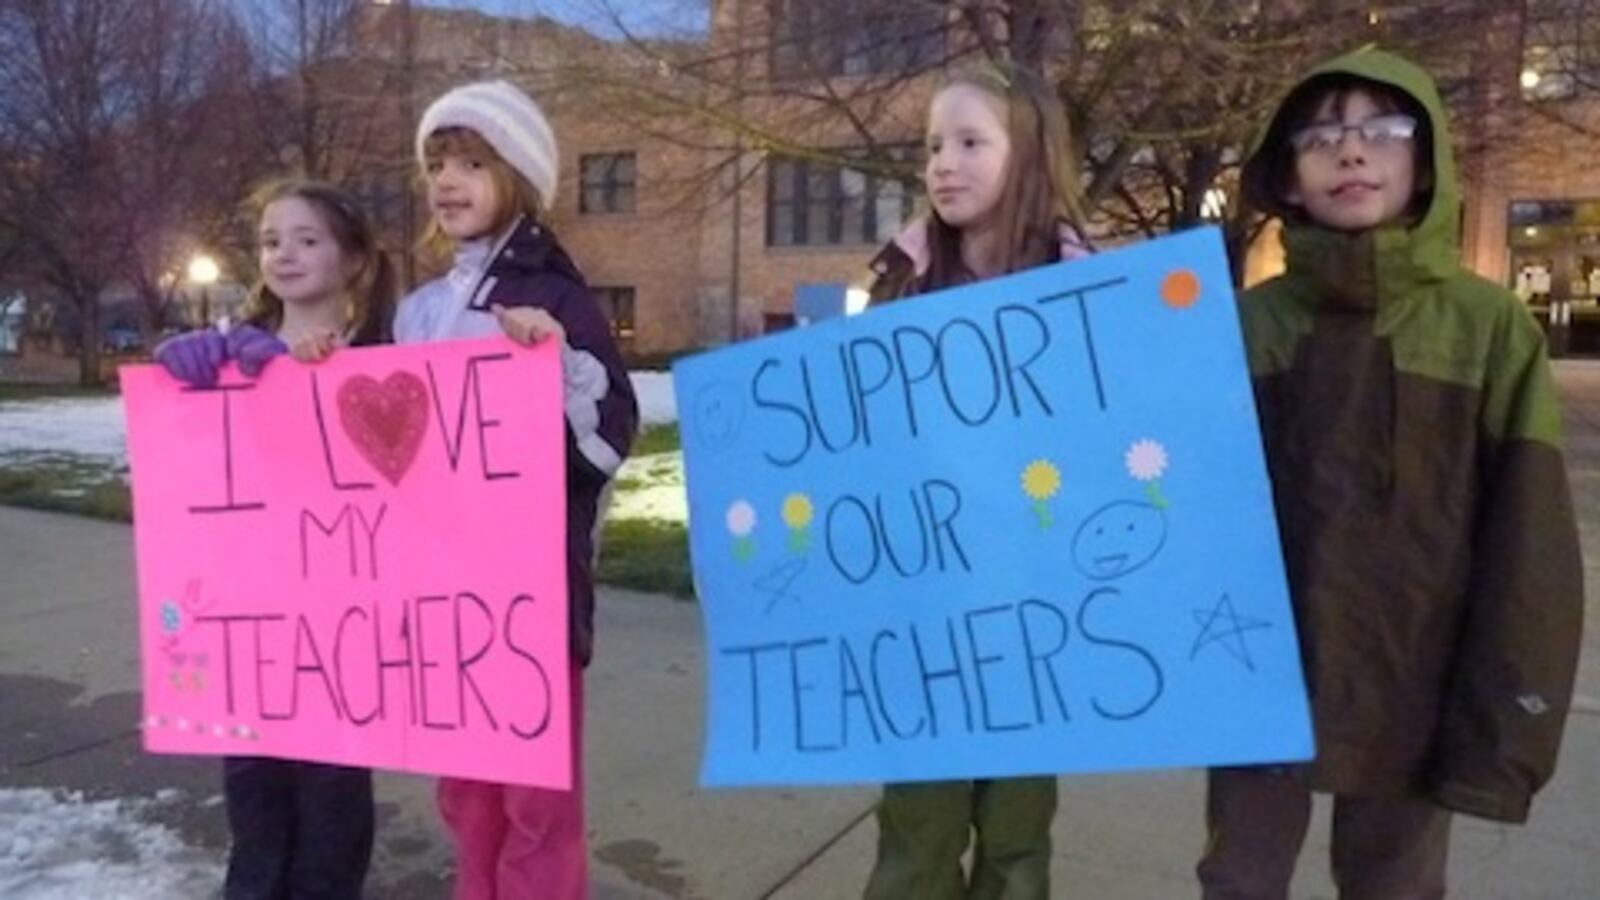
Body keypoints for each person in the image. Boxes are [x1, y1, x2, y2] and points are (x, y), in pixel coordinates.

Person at [1198, 47, 1584, 899]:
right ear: (1287, 176)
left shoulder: (1486, 331)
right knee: (1239, 877)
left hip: (1413, 677)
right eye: (1323, 135)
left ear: (1426, 162)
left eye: (1382, 128)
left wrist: (1508, 714)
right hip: (1258, 671)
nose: (1353, 150)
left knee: (1395, 886)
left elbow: (1532, 545)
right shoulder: (1238, 330)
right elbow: (1174, 502)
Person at [859, 62, 1092, 900]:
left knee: (1018, 842)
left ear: (1029, 154)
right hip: (925, 624)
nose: (942, 164)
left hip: (1042, 622)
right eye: (932, 147)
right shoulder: (900, 289)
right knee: (915, 837)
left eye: (969, 142)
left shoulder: (1089, 298)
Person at [400, 79, 637, 900]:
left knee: (537, 797)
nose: (448, 180)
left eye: (472, 161)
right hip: (445, 592)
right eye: (437, 163)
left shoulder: (557, 297)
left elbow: (607, 438)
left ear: (521, 178)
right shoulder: (421, 310)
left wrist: (560, 366)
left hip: (530, 596)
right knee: (465, 791)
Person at [153, 178, 398, 899]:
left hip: (343, 630)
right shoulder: (232, 359)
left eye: (308, 238)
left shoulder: (388, 360)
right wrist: (191, 373)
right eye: (270, 240)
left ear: (352, 260)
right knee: (256, 811)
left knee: (330, 812)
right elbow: (190, 476)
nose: (284, 254)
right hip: (251, 625)